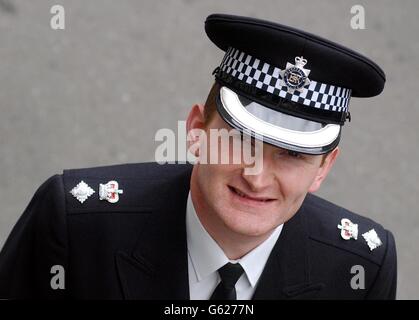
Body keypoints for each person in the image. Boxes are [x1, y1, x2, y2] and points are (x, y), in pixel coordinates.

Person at [0, 13, 396, 299]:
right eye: (241, 140)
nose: (256, 176)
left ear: (323, 168)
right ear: (195, 131)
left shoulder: (359, 267)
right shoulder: (74, 224)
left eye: (292, 155)